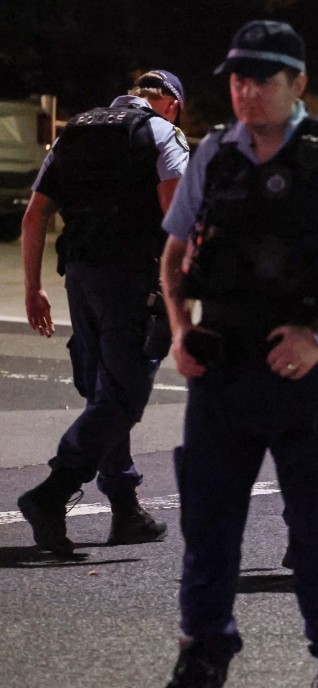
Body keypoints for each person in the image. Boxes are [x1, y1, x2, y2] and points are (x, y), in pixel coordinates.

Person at [123, 20, 318, 688]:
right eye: (238, 78)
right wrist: (182, 329)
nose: (248, 90)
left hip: (306, 376)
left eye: (265, 78)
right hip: (222, 370)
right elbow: (175, 251)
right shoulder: (214, 153)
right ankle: (200, 679)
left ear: (299, 84)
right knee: (207, 534)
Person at [19, 70, 189, 557]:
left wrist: (34, 288)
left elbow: (35, 216)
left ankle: (124, 508)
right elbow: (174, 219)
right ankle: (51, 494)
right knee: (124, 395)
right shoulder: (161, 133)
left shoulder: (75, 129)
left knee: (102, 389)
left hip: (80, 275)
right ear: (171, 103)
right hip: (131, 279)